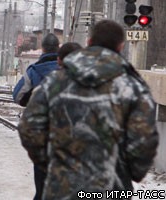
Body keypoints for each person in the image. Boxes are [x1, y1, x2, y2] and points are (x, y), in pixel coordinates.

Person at [17, 20, 159, 200]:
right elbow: (145, 140)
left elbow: (29, 127)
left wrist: (50, 162)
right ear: (121, 47)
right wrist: (130, 172)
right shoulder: (134, 88)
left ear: (89, 43)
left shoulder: (54, 82)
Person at [13, 33, 59, 200]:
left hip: (43, 134)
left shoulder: (34, 70)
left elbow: (17, 95)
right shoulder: (72, 70)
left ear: (43, 49)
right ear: (58, 48)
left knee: (41, 188)